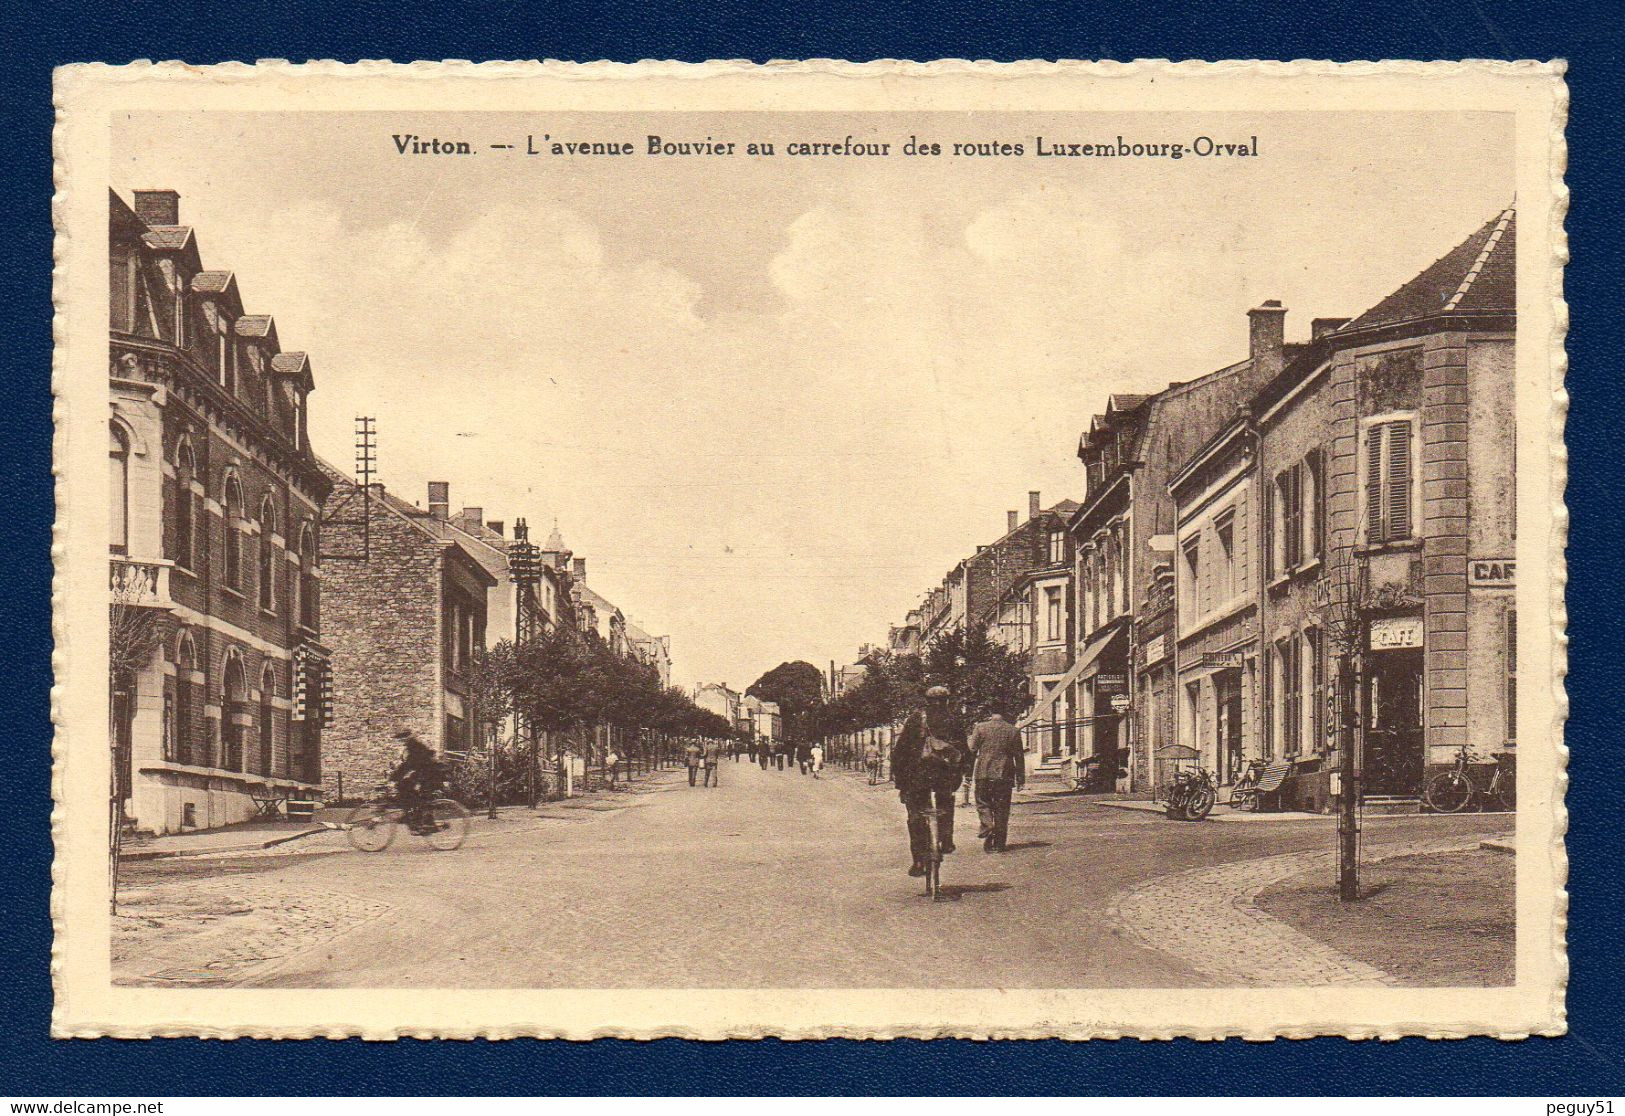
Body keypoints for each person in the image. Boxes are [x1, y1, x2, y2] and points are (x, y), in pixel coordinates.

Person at [890, 685, 965, 877]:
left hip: (917, 776)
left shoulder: (916, 719)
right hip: (944, 775)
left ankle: (918, 862)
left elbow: (900, 751)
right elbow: (964, 751)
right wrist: (961, 773)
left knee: (915, 817)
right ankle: (946, 840)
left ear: (927, 700)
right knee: (946, 804)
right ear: (947, 700)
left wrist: (900, 781)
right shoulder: (953, 720)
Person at [968, 707, 1026, 852]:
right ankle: (999, 844)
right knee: (1002, 809)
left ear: (990, 713)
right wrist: (1020, 778)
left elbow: (971, 750)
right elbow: (1019, 756)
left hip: (983, 774)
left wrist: (967, 774)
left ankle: (988, 825)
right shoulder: (1013, 730)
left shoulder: (980, 728)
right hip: (1004, 775)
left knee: (982, 803)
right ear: (1005, 713)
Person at [389, 729, 445, 834]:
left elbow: (408, 765)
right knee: (406, 789)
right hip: (425, 773)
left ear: (407, 738)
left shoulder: (415, 747)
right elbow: (409, 765)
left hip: (430, 775)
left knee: (413, 793)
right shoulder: (413, 746)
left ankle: (420, 823)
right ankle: (415, 819)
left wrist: (394, 778)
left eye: (401, 739)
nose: (401, 742)